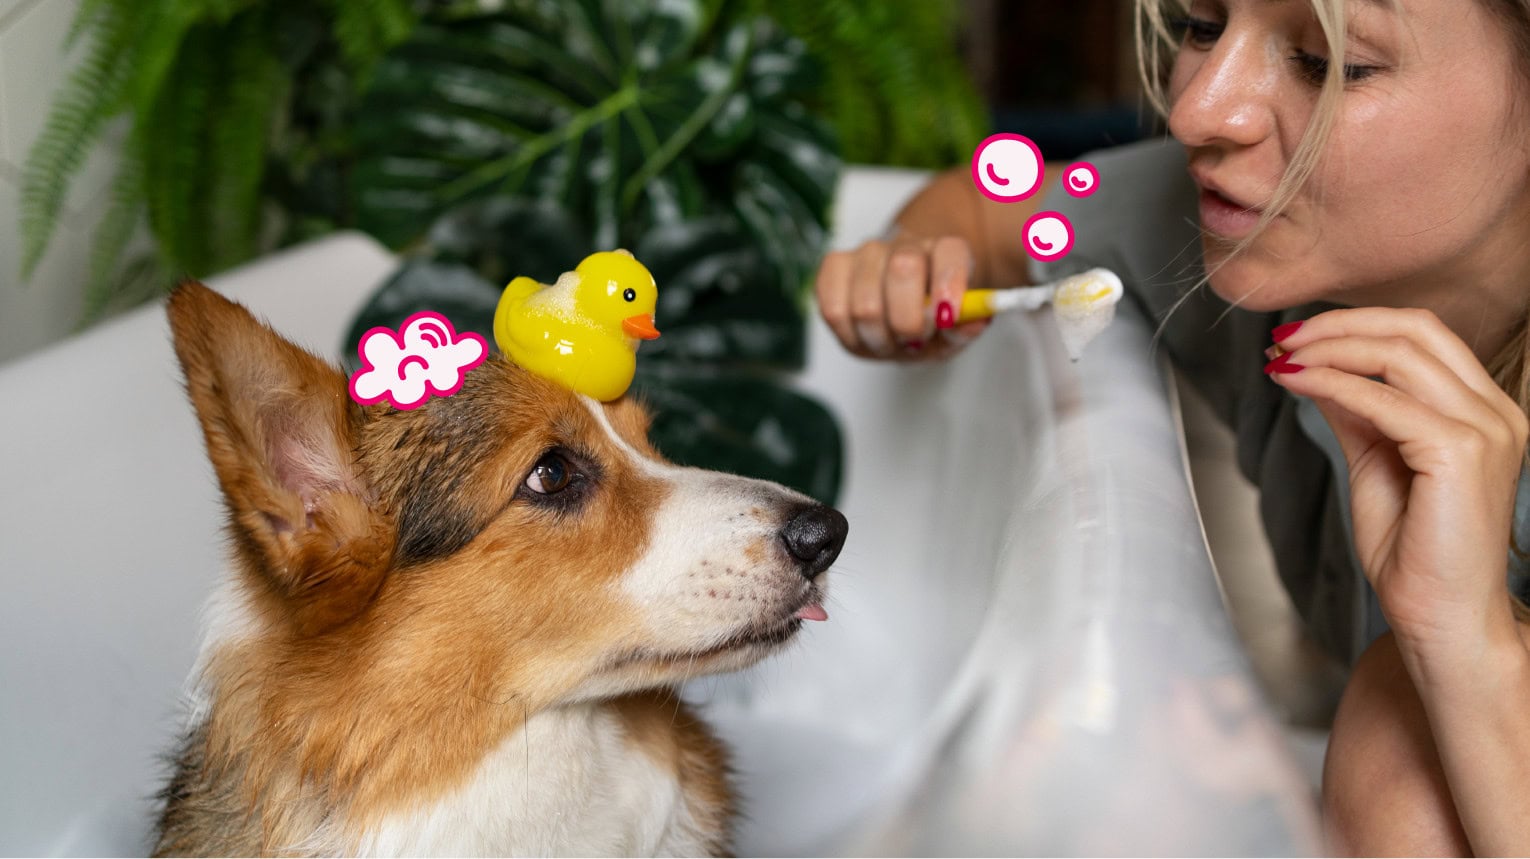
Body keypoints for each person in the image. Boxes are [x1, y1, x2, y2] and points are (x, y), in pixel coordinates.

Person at [814, 0, 1530, 854]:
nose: (1196, 112)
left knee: (1395, 736)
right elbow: (972, 211)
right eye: (1200, 23)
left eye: (1327, 64)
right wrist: (907, 265)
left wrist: (1467, 648)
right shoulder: (1235, 230)